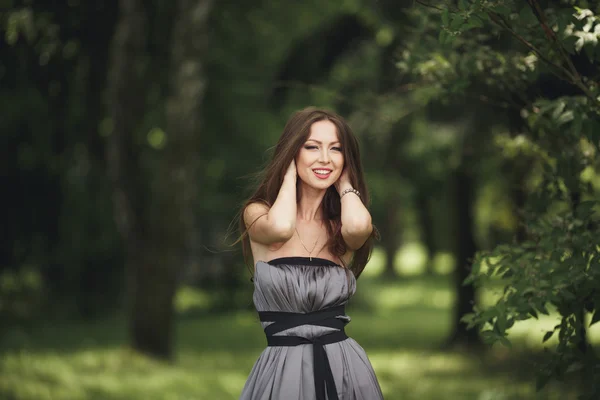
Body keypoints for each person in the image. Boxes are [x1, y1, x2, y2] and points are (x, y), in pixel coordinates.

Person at [238, 107, 384, 400]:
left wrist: (344, 182)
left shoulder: (341, 228)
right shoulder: (257, 214)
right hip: (282, 373)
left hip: (345, 370)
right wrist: (289, 176)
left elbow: (359, 227)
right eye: (312, 147)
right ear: (292, 152)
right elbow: (280, 227)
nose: (325, 158)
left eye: (336, 149)